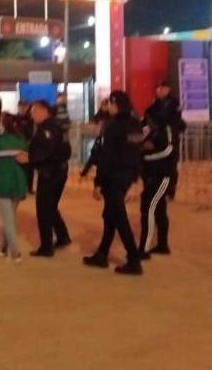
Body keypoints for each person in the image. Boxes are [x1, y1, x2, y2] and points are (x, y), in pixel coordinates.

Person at [83, 91, 144, 275]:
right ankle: (102, 254)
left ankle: (133, 259)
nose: (108, 107)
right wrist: (135, 175)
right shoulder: (135, 124)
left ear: (115, 105)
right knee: (110, 215)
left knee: (119, 217)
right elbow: (137, 151)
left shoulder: (113, 126)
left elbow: (106, 157)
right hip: (126, 176)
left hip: (113, 177)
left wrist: (98, 182)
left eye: (110, 103)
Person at [27, 100, 72, 256]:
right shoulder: (57, 126)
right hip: (60, 170)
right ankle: (62, 236)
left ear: (44, 111)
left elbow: (47, 151)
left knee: (44, 209)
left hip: (50, 172)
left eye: (34, 111)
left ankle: (46, 247)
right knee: (51, 206)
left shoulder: (47, 129)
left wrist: (29, 159)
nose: (32, 115)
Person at [0, 113, 30, 262]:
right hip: (18, 182)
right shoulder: (21, 141)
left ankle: (15, 251)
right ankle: (2, 246)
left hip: (1, 181)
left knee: (8, 219)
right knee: (10, 217)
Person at [138, 107, 175, 259]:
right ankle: (162, 244)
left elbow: (167, 151)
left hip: (162, 176)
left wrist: (146, 156)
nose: (147, 121)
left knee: (149, 208)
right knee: (159, 210)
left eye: (149, 119)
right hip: (152, 176)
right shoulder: (152, 131)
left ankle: (144, 248)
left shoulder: (165, 131)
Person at [148, 80, 185, 200]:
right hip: (158, 139)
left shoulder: (173, 102)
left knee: (170, 166)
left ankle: (170, 191)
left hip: (170, 139)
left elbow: (173, 119)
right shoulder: (155, 103)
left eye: (162, 88)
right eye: (158, 88)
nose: (159, 90)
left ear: (167, 89)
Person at [15, 100, 35, 193]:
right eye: (21, 106)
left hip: (28, 145)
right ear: (18, 107)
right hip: (17, 145)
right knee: (18, 167)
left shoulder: (31, 118)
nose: (23, 108)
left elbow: (32, 133)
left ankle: (29, 187)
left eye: (24, 106)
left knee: (29, 167)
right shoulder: (14, 118)